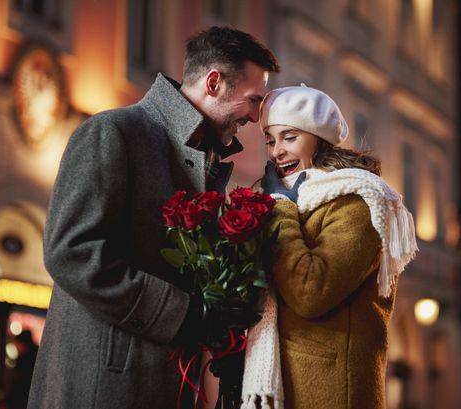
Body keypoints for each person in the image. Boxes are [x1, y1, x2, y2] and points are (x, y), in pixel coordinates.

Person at [27, 26, 279, 409]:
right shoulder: (113, 132)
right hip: (104, 387)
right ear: (214, 83)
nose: (257, 116)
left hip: (161, 385)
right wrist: (186, 313)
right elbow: (71, 252)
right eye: (253, 100)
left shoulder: (203, 158)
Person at [240, 85, 418, 409]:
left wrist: (280, 206)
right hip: (285, 384)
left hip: (332, 390)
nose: (277, 151)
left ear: (317, 138)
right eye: (270, 139)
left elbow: (311, 291)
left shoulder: (358, 202)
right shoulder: (289, 200)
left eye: (289, 137)